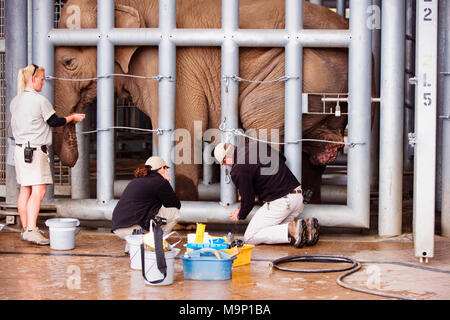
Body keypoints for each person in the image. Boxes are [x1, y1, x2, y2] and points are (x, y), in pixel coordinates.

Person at [10, 64, 86, 245]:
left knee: (25, 189)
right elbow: (54, 121)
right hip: (35, 151)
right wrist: (72, 117)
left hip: (20, 150)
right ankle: (31, 229)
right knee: (39, 189)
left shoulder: (16, 100)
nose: (43, 83)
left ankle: (25, 227)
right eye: (42, 79)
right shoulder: (39, 101)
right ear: (33, 79)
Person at [214, 141, 319, 247]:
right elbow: (282, 159)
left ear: (226, 159)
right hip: (297, 196)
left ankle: (292, 228)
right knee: (274, 231)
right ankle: (307, 228)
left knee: (250, 237)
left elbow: (248, 199)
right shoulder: (257, 145)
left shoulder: (238, 169)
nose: (228, 166)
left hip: (282, 202)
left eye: (225, 164)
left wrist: (240, 214)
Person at [111, 156, 181, 244]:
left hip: (117, 227)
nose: (167, 171)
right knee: (175, 212)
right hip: (134, 227)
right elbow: (175, 204)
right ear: (162, 168)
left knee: (140, 214)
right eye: (165, 168)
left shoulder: (136, 181)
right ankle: (156, 243)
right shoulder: (160, 182)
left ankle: (132, 247)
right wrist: (166, 182)